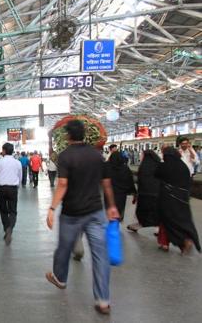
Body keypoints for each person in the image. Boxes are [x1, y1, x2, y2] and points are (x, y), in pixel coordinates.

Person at [45, 120, 120, 315]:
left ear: (68, 136)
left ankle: (60, 278)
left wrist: (52, 208)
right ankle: (103, 300)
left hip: (72, 213)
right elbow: (107, 184)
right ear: (85, 135)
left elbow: (62, 184)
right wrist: (111, 206)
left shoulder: (65, 156)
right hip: (95, 212)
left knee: (63, 248)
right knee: (100, 256)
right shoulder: (97, 155)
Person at [155, 147, 200, 254]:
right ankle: (186, 240)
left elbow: (156, 174)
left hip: (168, 197)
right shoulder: (183, 166)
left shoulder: (165, 165)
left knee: (168, 221)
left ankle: (178, 242)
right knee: (182, 220)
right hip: (183, 198)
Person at [0, 143, 22, 245]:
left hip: (2, 189)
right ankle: (10, 228)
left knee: (3, 211)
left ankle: (6, 228)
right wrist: (17, 186)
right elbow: (20, 178)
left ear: (3, 151)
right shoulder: (17, 163)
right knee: (13, 211)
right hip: (13, 189)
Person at [127, 150, 161, 232]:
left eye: (142, 155)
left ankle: (140, 225)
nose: (140, 157)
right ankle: (158, 228)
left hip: (145, 194)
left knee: (143, 212)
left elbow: (141, 181)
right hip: (158, 193)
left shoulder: (143, 167)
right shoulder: (159, 165)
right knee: (156, 212)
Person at [107, 151, 137, 222]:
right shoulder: (125, 169)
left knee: (109, 214)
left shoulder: (107, 167)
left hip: (109, 195)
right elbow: (130, 181)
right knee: (119, 213)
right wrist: (134, 193)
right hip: (122, 195)